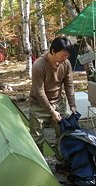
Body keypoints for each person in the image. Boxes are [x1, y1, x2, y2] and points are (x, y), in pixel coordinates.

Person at [29, 36, 77, 172]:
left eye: (67, 56)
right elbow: (39, 91)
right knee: (37, 138)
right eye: (62, 55)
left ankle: (61, 164)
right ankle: (38, 169)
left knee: (62, 135)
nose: (64, 59)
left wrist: (72, 105)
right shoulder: (39, 65)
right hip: (38, 105)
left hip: (57, 102)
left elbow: (69, 84)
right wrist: (51, 112)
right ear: (53, 51)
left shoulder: (66, 64)